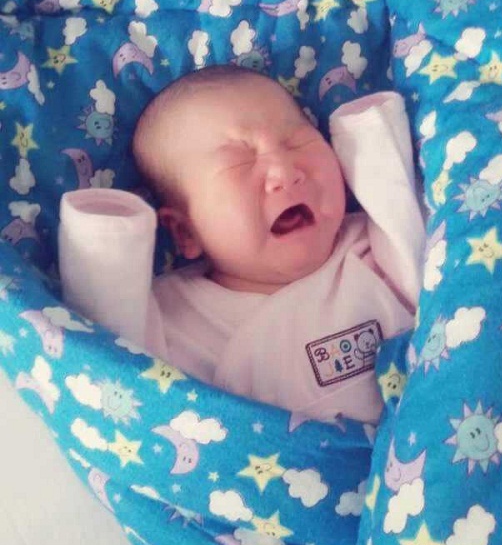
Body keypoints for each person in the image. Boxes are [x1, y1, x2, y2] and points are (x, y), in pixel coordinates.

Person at [59, 66, 424, 423]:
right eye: (240, 160)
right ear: (185, 232)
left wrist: (369, 136)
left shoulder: (375, 245)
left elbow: (420, 239)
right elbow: (109, 369)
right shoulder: (171, 316)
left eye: (297, 141)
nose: (284, 171)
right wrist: (106, 238)